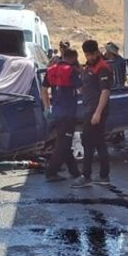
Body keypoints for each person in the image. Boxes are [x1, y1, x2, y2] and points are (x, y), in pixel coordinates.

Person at [73, 40, 113, 188]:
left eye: (91, 54)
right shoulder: (90, 66)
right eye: (87, 55)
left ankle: (87, 175)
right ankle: (103, 175)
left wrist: (98, 113)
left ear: (97, 52)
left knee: (89, 143)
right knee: (99, 143)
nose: (89, 57)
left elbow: (105, 91)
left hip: (96, 111)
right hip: (89, 109)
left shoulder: (102, 68)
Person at [42, 47, 82, 182]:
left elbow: (43, 90)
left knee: (64, 142)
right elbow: (81, 89)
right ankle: (51, 172)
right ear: (72, 58)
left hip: (56, 113)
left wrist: (47, 107)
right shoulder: (71, 71)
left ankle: (75, 172)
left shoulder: (51, 70)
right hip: (69, 113)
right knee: (63, 145)